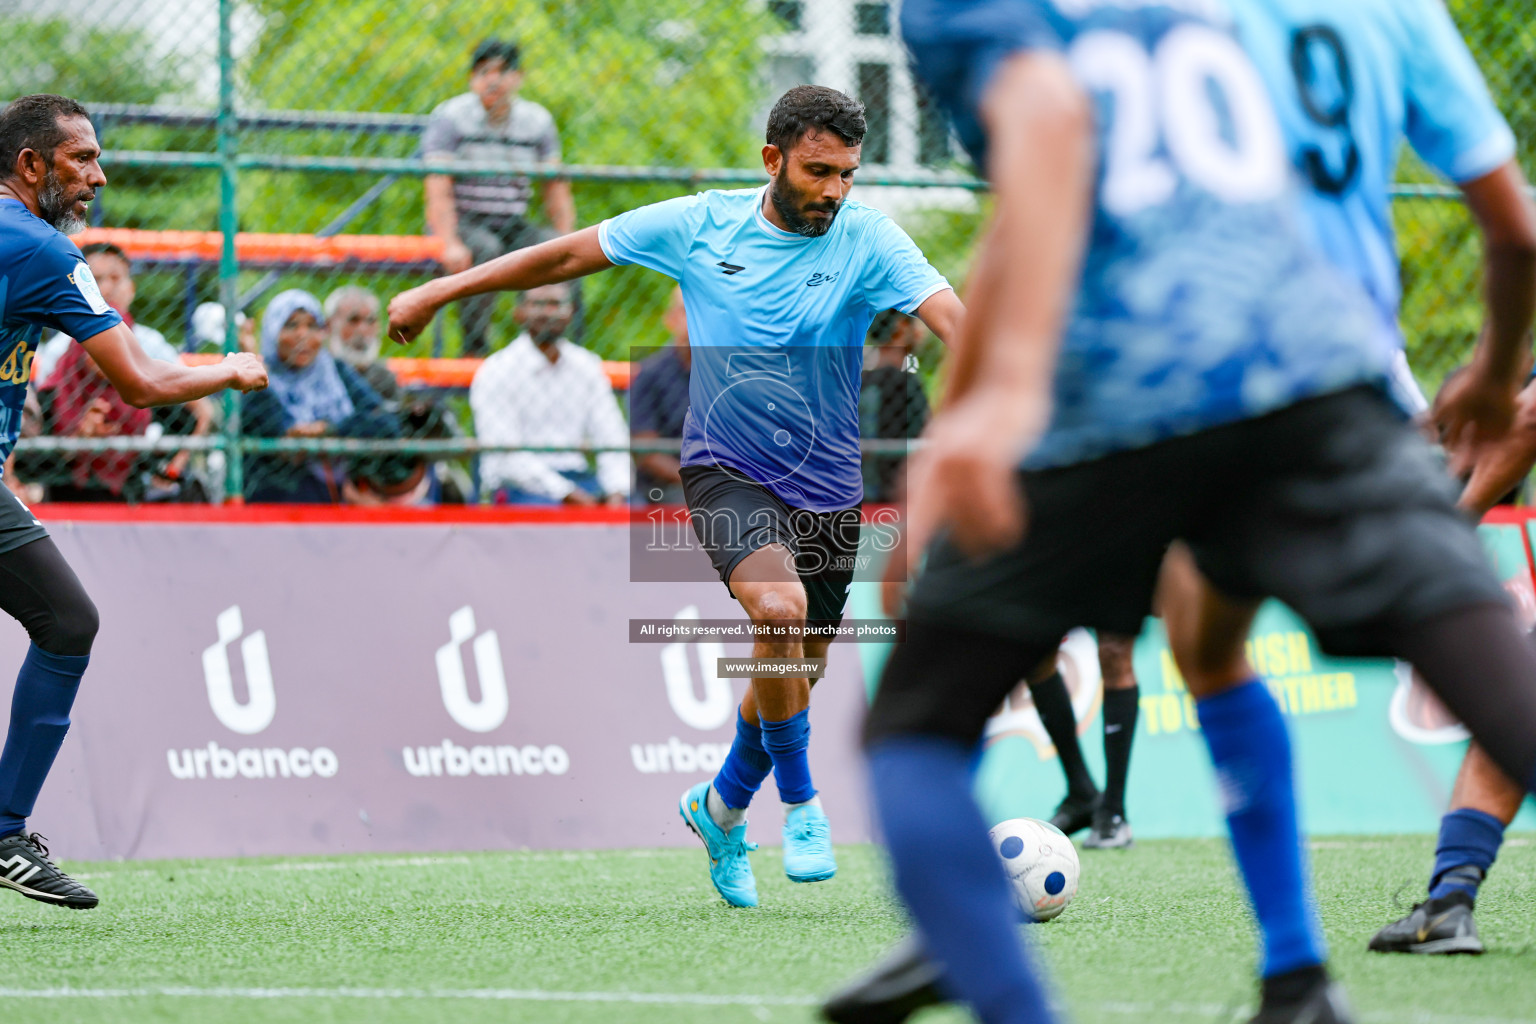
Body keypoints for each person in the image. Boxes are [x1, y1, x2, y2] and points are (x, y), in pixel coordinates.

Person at [822, 2, 1536, 1023]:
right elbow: (1512, 225)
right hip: (1333, 371)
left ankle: (972, 922)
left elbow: (1050, 168)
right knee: (1230, 644)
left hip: (1126, 381)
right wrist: (1496, 373)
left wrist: (998, 397)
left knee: (925, 714)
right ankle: (1293, 975)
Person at [389, 85, 963, 909]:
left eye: (846, 174)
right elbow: (559, 256)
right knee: (778, 611)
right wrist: (438, 292)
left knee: (796, 672)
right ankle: (801, 805)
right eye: (818, 171)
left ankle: (720, 808)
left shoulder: (869, 237)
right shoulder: (700, 224)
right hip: (724, 466)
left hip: (832, 485)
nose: (835, 190)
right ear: (773, 160)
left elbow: (950, 316)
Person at [1167, 0, 1536, 959]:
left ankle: (1310, 956)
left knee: (1194, 635)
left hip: (1228, 393)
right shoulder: (1389, 17)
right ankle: (1446, 901)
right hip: (1320, 397)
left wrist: (1440, 522)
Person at [0, 93, 266, 908]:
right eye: (82, 159)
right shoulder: (41, 248)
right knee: (68, 622)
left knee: (65, 620)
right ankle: (5, 831)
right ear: (31, 165)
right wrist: (230, 367)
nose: (99, 176)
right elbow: (145, 382)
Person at [423, 38, 575, 357]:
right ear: (472, 79)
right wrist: (448, 240)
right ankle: (475, 352)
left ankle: (562, 350)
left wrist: (568, 239)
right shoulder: (451, 117)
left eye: (502, 71)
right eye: (483, 71)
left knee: (565, 253)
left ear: (518, 77)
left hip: (511, 222)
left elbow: (555, 186)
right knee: (484, 251)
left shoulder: (537, 121)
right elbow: (438, 185)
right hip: (465, 221)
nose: (493, 79)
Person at [470, 282, 629, 505]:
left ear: (571, 311)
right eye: (538, 304)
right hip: (520, 486)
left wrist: (617, 492)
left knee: (636, 514)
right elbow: (506, 457)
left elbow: (612, 437)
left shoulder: (586, 366)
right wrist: (568, 495)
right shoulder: (497, 370)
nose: (548, 312)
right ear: (519, 313)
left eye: (556, 303)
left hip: (579, 478)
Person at [242, 290, 397, 503]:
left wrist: (329, 430)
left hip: (338, 497)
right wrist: (254, 368)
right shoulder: (256, 377)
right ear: (272, 331)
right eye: (291, 325)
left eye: (312, 326)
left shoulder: (335, 370)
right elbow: (273, 428)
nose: (302, 335)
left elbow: (384, 421)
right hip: (274, 498)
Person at [629, 286, 692, 505]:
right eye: (688, 311)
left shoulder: (728, 372)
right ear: (670, 319)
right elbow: (647, 454)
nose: (696, 320)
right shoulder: (651, 373)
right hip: (667, 487)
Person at [858, 309, 929, 504]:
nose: (922, 332)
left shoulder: (861, 380)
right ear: (901, 326)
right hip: (892, 499)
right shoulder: (904, 383)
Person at [324, 285, 401, 404]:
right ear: (329, 325)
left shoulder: (383, 377)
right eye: (353, 320)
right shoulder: (317, 372)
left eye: (371, 321)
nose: (363, 330)